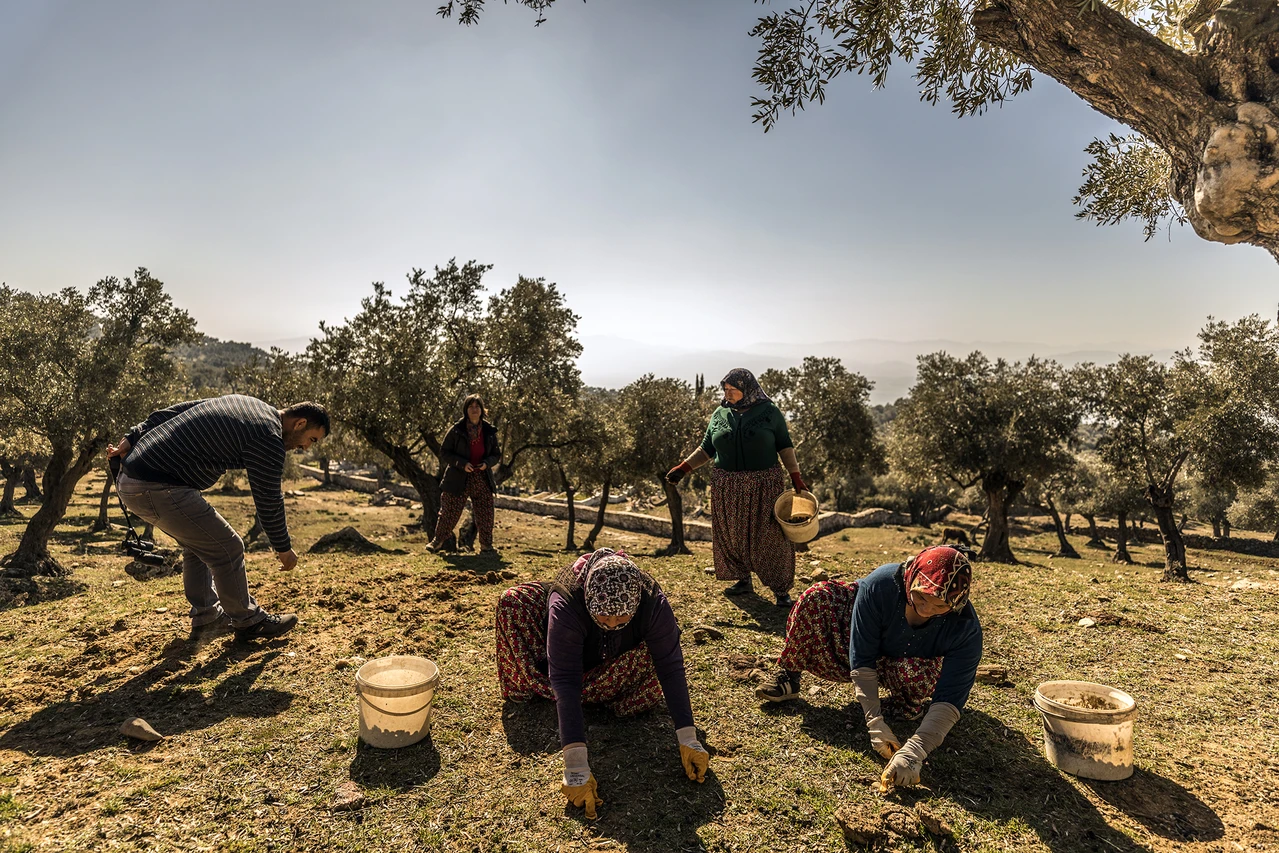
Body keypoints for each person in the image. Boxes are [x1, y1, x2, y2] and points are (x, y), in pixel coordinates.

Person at [495, 548, 710, 818]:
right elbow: (565, 678)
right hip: (568, 666)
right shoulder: (567, 605)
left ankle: (602, 694)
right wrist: (575, 765)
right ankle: (548, 688)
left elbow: (671, 668)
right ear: (587, 600)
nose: (611, 624)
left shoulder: (653, 603)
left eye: (621, 619)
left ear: (635, 604)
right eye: (603, 618)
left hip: (614, 664)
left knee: (658, 650)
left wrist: (689, 739)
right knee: (512, 601)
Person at [755, 545, 982, 787]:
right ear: (911, 577)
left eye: (940, 607)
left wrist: (915, 750)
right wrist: (874, 720)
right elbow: (862, 656)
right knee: (816, 597)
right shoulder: (881, 585)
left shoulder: (965, 630)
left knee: (919, 676)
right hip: (856, 642)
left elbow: (949, 698)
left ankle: (905, 706)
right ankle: (789, 677)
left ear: (957, 604)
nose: (926, 610)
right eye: (921, 597)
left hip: (905, 663)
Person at [106, 395, 330, 641]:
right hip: (156, 486)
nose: (306, 448)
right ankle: (248, 621)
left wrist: (132, 436)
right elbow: (268, 498)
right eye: (311, 439)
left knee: (202, 542)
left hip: (136, 478)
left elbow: (176, 411)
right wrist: (283, 547)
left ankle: (207, 617)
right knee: (228, 546)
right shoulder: (269, 437)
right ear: (299, 424)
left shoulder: (249, 404)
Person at [666, 368, 807, 608]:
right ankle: (743, 579)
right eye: (725, 389)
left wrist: (796, 477)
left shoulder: (770, 412)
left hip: (764, 484)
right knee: (732, 533)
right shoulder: (720, 414)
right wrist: (683, 468)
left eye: (733, 389)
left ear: (748, 389)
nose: (727, 393)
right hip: (727, 485)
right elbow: (706, 449)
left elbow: (785, 446)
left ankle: (780, 590)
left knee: (770, 536)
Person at [427, 394, 500, 555]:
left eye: (477, 406)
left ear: (482, 410)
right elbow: (445, 452)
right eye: (471, 407)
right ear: (465, 410)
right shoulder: (456, 430)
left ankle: (486, 546)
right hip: (458, 477)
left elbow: (496, 454)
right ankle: (437, 541)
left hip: (481, 476)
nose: (474, 410)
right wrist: (461, 463)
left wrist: (487, 463)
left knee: (486, 512)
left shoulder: (489, 431)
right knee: (449, 511)